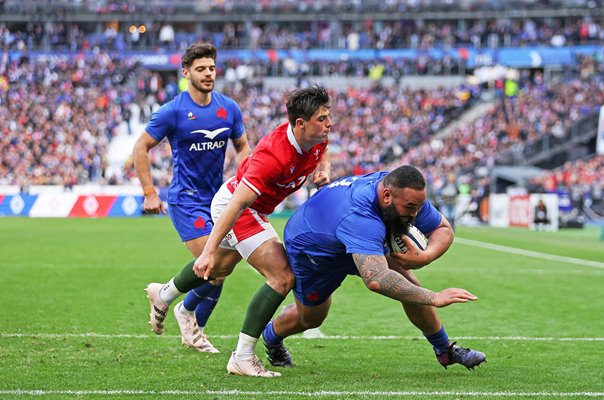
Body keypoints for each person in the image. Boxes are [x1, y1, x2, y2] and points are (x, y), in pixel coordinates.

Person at [147, 84, 332, 377]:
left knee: (219, 269)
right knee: (282, 277)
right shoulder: (272, 155)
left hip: (253, 209)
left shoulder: (317, 137)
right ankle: (243, 356)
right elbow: (236, 205)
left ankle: (165, 294)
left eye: (327, 116)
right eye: (322, 118)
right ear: (300, 124)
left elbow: (322, 153)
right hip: (237, 207)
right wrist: (207, 250)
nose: (328, 123)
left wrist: (325, 171)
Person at [261, 166, 486, 373]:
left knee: (411, 286)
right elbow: (376, 278)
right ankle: (271, 337)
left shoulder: (404, 192)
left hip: (356, 235)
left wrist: (424, 257)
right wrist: (435, 297)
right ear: (387, 196)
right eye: (410, 208)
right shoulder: (361, 215)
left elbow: (442, 228)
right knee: (310, 318)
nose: (415, 215)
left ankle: (444, 349)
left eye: (419, 207)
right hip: (314, 250)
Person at [134, 43, 251, 352]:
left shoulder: (228, 108)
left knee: (223, 266)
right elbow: (141, 147)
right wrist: (149, 192)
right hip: (187, 200)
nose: (208, 73)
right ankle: (180, 310)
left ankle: (188, 322)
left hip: (218, 200)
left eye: (211, 68)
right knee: (213, 265)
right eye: (201, 69)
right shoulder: (173, 110)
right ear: (186, 73)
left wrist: (245, 180)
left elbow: (242, 147)